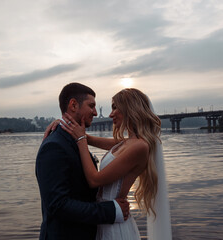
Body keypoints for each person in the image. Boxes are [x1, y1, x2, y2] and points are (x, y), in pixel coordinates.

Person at [46, 88, 172, 239]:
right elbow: (90, 138)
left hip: (115, 225)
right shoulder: (126, 143)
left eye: (114, 108)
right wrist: (63, 124)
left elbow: (94, 180)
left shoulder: (139, 146)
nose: (111, 114)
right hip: (104, 218)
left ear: (129, 108)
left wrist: (81, 140)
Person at [35, 82, 130, 240]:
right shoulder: (54, 146)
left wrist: (83, 137)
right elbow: (57, 205)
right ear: (73, 105)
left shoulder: (75, 140)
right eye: (91, 106)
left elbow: (127, 145)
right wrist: (111, 211)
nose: (95, 112)